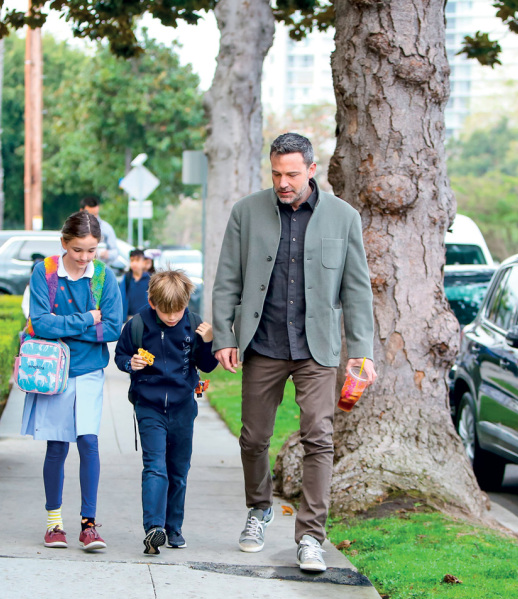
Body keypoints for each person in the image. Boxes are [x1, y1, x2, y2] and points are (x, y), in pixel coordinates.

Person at [212, 133, 377, 572]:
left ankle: (310, 536)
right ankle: (259, 508)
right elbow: (227, 277)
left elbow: (357, 290)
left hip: (316, 349)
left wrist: (362, 350)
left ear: (311, 169)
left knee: (318, 438)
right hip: (262, 344)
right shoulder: (246, 213)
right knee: (253, 439)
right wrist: (225, 337)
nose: (283, 182)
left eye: (291, 174)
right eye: (276, 174)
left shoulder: (344, 218)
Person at [22, 211, 124, 551]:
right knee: (57, 446)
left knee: (89, 443)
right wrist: (85, 320)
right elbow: (40, 324)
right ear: (64, 243)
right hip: (55, 374)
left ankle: (89, 525)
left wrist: (64, 323)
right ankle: (54, 523)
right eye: (78, 249)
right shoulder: (45, 272)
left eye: (91, 250)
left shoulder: (104, 278)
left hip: (90, 373)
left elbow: (111, 328)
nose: (84, 258)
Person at [114, 270, 218, 555]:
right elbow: (120, 355)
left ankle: (174, 527)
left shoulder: (194, 327)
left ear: (186, 303)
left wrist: (209, 341)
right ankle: (154, 528)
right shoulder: (138, 326)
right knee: (155, 466)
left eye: (178, 310)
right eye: (165, 311)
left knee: (179, 471)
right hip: (149, 407)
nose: (172, 317)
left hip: (184, 408)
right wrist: (129, 363)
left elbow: (207, 366)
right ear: (152, 302)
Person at [80, 196, 119, 264]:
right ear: (81, 211)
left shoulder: (106, 229)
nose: (94, 218)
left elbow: (115, 251)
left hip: (100, 268)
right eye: (90, 215)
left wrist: (106, 254)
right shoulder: (74, 227)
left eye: (96, 214)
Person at [119, 248, 151, 319]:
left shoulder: (150, 279)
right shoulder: (127, 278)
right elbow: (122, 298)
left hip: (147, 318)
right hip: (130, 318)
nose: (134, 263)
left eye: (137, 260)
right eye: (132, 260)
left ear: (144, 263)